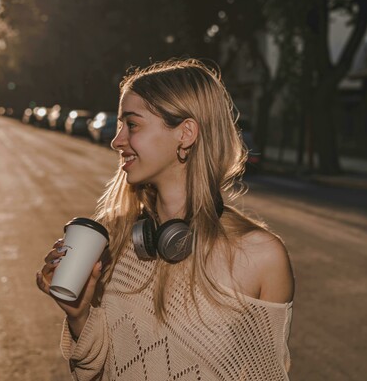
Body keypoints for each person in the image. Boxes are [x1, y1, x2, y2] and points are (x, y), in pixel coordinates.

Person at [36, 58, 295, 380]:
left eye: (132, 124)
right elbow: (95, 373)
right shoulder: (116, 240)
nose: (117, 140)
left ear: (185, 133)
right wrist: (79, 315)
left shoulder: (261, 256)